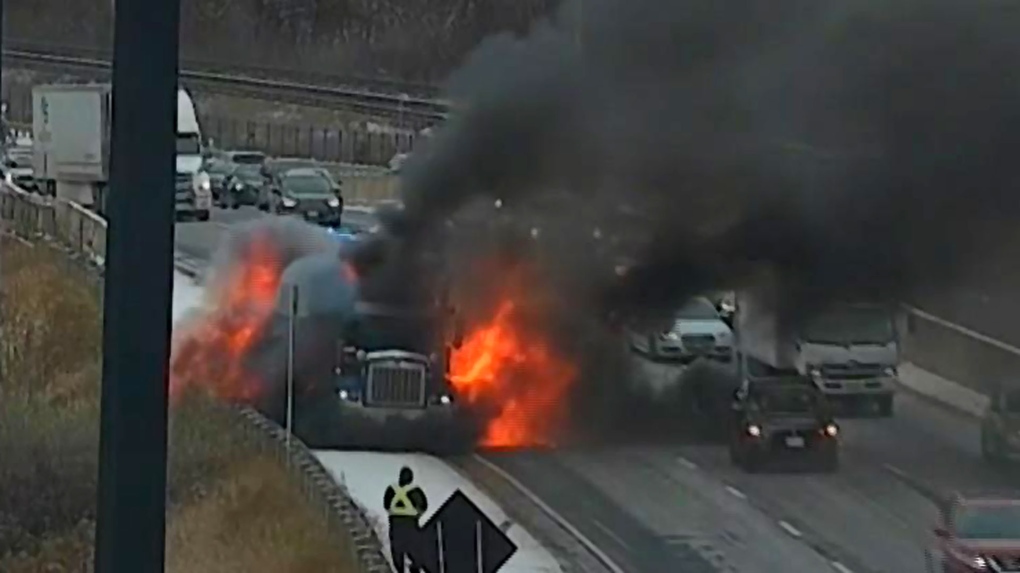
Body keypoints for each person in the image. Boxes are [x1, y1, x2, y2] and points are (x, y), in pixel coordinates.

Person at [384, 466, 428, 573]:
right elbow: (424, 506)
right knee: (416, 551)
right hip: (411, 524)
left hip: (395, 524)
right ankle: (414, 569)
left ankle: (400, 570)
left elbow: (386, 504)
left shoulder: (391, 489)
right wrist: (416, 514)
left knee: (397, 552)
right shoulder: (415, 491)